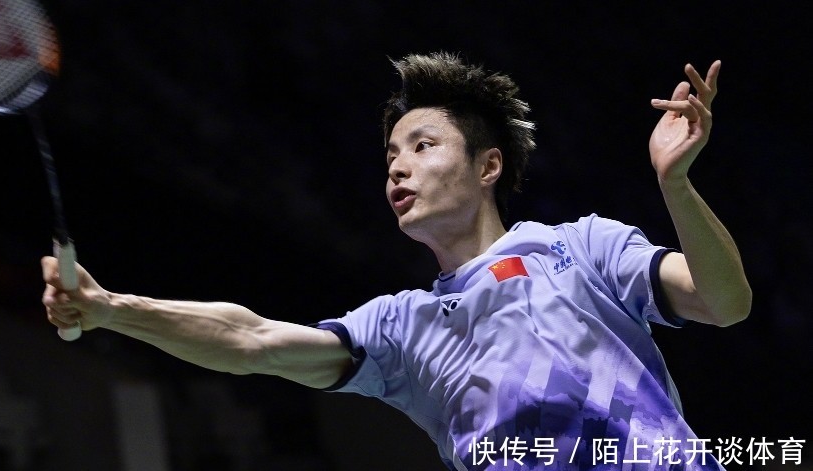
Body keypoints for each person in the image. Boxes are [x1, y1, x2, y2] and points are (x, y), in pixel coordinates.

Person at [42, 52, 750, 470]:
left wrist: (676, 186)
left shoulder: (582, 247)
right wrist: (113, 310)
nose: (397, 168)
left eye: (422, 146)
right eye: (390, 156)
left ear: (487, 166)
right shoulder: (402, 329)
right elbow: (253, 341)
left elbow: (725, 303)